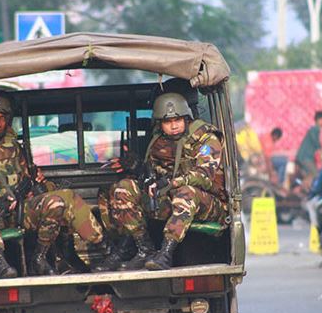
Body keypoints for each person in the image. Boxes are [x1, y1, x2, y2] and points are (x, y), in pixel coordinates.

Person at [0, 90, 105, 278]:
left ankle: (51, 256)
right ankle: (1, 263)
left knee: (57, 201)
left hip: (18, 211)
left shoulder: (14, 147)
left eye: (1, 118)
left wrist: (37, 188)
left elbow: (29, 179)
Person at [96, 92, 228, 271]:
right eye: (168, 122)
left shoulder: (205, 138)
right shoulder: (158, 141)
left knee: (186, 192)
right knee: (123, 188)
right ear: (160, 123)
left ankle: (165, 253)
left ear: (186, 118)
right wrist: (141, 171)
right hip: (172, 200)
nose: (173, 126)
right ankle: (144, 249)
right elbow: (154, 173)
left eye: (178, 120)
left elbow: (204, 175)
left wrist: (172, 183)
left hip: (209, 204)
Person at [295, 111, 322, 179]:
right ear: (319, 120)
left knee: (309, 176)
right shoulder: (315, 129)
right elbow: (319, 147)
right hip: (305, 158)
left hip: (303, 158)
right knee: (315, 175)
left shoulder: (314, 130)